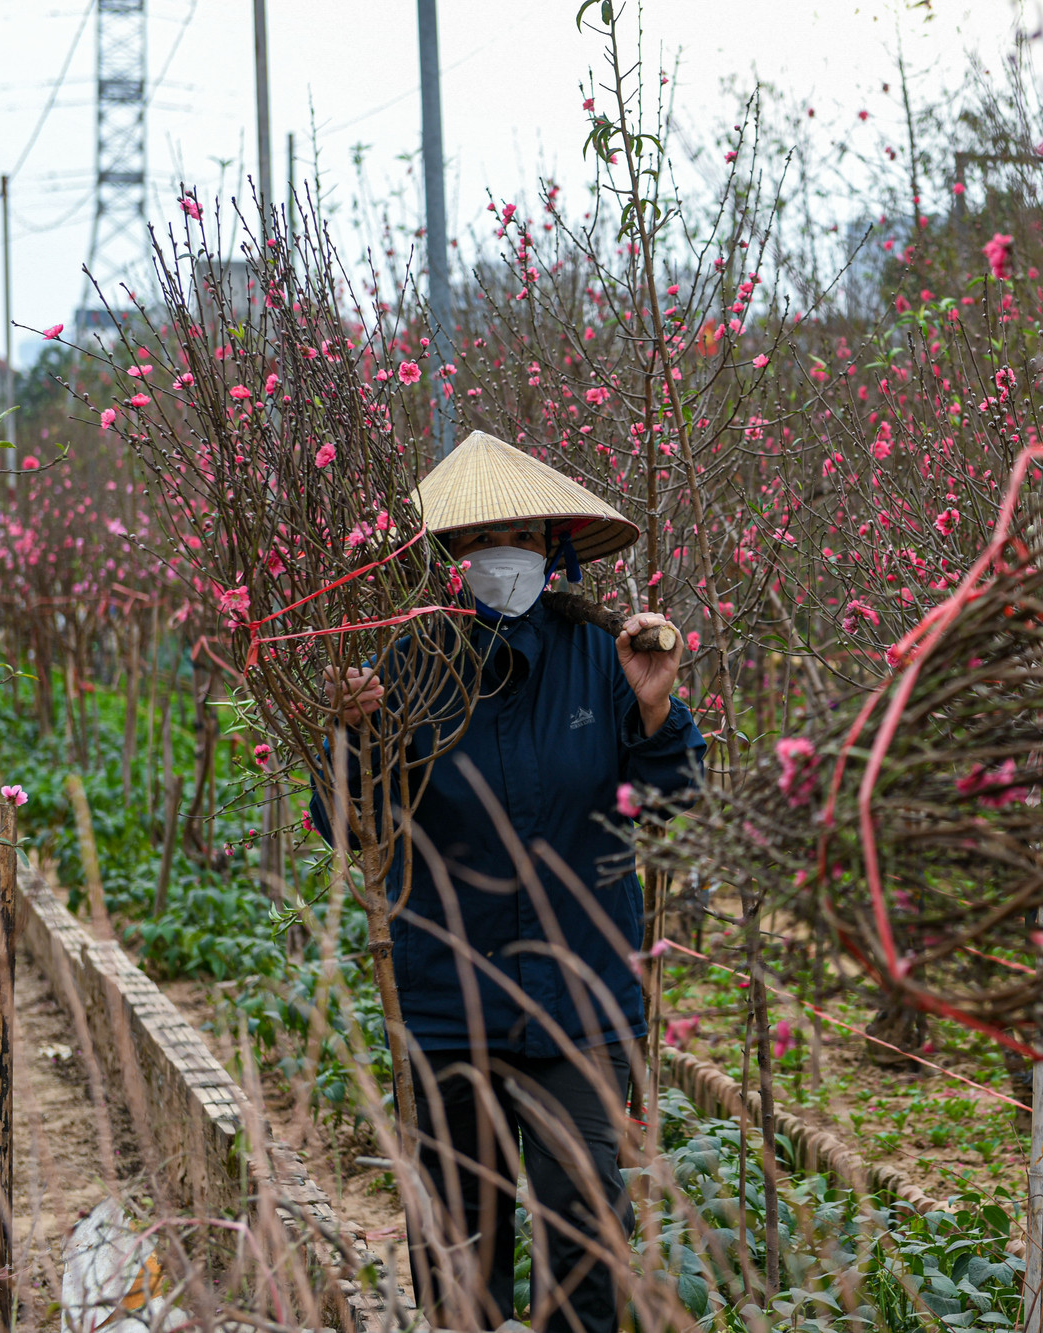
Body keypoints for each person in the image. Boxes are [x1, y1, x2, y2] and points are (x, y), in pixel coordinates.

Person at [315, 430, 704, 1333]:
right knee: (458, 1250)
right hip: (451, 1009)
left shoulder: (604, 659)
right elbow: (351, 826)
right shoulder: (407, 667)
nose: (506, 558)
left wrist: (655, 708)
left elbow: (674, 814)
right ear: (451, 556)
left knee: (586, 1239)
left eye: (524, 539)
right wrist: (351, 735)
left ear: (552, 549)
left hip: (580, 1007)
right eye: (481, 541)